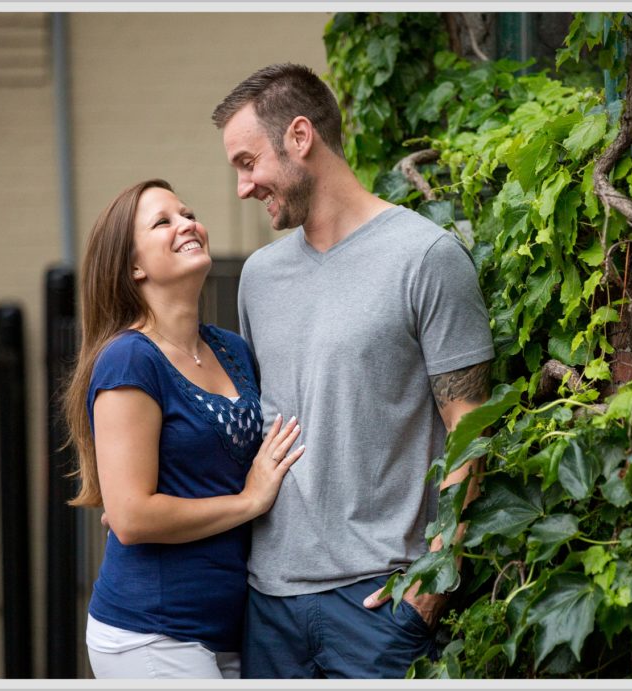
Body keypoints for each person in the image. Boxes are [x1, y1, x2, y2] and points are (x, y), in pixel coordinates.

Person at [210, 63, 495, 679]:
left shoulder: (425, 257)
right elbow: (258, 423)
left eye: (247, 162)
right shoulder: (259, 278)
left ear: (300, 137)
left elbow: (471, 427)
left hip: (378, 606)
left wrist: (431, 589)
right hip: (270, 605)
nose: (242, 186)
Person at [64, 178, 305, 679]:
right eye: (163, 222)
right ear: (133, 266)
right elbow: (130, 517)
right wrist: (248, 501)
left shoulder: (232, 350)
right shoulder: (130, 359)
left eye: (188, 213)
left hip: (232, 626)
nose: (187, 225)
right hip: (152, 632)